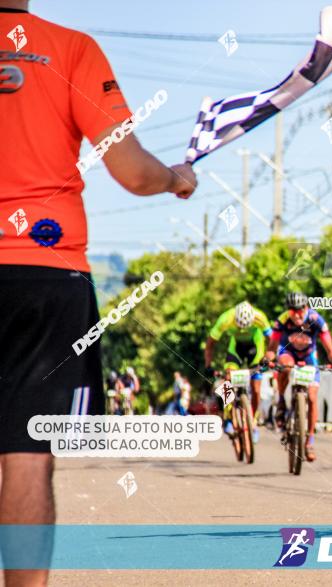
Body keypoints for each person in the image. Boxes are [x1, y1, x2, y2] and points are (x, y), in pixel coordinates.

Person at [0, 2, 197, 583]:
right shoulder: (70, 48)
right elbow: (133, 172)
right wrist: (175, 177)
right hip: (44, 270)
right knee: (27, 455)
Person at [266, 292, 332, 462]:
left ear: (306, 308)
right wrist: (268, 359)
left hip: (309, 356)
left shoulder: (316, 319)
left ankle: (309, 441)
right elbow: (272, 347)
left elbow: (329, 347)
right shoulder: (282, 320)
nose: (297, 314)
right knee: (284, 365)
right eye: (293, 311)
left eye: (301, 310)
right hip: (288, 353)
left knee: (313, 397)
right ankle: (281, 401)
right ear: (289, 311)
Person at [204, 301, 272, 441]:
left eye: (246, 327)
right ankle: (228, 416)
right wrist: (208, 366)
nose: (242, 329)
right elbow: (210, 344)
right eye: (239, 326)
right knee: (227, 378)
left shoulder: (260, 317)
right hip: (236, 348)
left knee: (257, 388)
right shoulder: (226, 318)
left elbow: (272, 340)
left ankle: (253, 423)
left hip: (255, 347)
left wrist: (269, 358)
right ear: (235, 320)